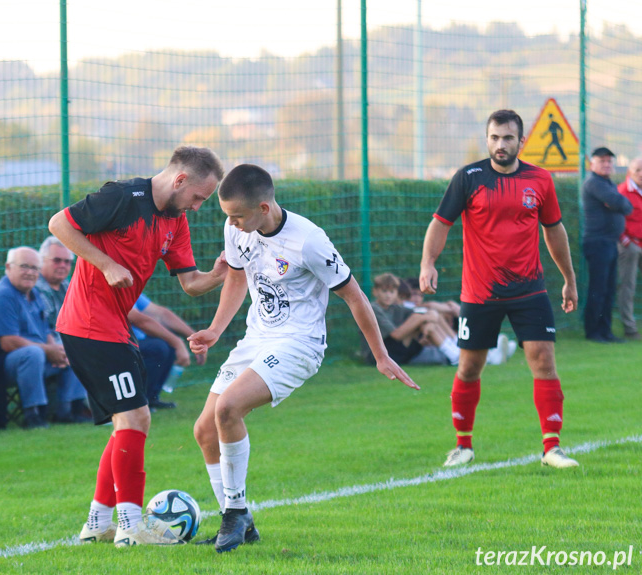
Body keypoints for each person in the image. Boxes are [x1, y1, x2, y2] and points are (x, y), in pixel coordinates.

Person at [188, 164, 418, 553]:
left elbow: (354, 296)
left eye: (237, 216)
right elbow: (238, 277)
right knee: (205, 431)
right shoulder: (237, 229)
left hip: (299, 343)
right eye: (228, 216)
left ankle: (235, 513)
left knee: (227, 409)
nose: (232, 224)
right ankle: (241, 523)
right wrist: (215, 329)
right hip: (257, 339)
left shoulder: (309, 241)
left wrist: (381, 355)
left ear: (264, 207)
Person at [48, 146, 229, 547]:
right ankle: (130, 527)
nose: (198, 207)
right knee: (136, 419)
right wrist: (106, 264)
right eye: (198, 197)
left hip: (113, 328)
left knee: (125, 423)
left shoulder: (175, 221)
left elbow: (190, 282)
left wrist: (218, 274)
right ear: (180, 180)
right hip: (89, 324)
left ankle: (97, 522)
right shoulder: (123, 197)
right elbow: (59, 224)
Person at [420, 109, 579, 469]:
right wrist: (427, 263)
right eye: (494, 137)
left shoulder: (539, 180)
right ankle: (463, 446)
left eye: (507, 138)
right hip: (479, 292)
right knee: (470, 367)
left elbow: (554, 230)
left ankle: (552, 447)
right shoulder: (469, 178)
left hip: (529, 289)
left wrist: (569, 279)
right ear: (487, 139)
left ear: (521, 141)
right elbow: (440, 223)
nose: (500, 144)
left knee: (543, 360)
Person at [0, 247, 74, 429]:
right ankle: (33, 416)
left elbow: (45, 332)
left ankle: (69, 411)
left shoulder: (34, 294)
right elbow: (8, 342)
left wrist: (57, 350)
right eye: (24, 267)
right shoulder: (3, 295)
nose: (30, 272)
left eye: (35, 268)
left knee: (73, 351)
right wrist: (48, 351)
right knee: (33, 354)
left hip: (31, 357)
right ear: (8, 267)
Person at [365, 273, 512, 367]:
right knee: (422, 317)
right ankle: (463, 354)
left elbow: (424, 311)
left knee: (427, 318)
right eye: (384, 291)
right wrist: (428, 316)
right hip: (379, 354)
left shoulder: (394, 308)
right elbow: (396, 335)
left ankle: (463, 353)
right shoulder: (374, 308)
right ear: (375, 292)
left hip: (400, 349)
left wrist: (430, 318)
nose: (388, 296)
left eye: (391, 292)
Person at [36, 236, 93, 423]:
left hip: (65, 345)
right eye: (57, 260)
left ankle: (79, 408)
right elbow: (38, 327)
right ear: (42, 260)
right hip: (42, 345)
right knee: (78, 350)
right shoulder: (34, 288)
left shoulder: (70, 286)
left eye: (67, 261)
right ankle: (67, 412)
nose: (63, 265)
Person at [582, 147, 633, 343]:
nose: (607, 164)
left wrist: (619, 203)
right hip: (598, 243)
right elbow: (618, 202)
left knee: (609, 289)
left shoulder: (607, 183)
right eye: (602, 161)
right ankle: (593, 332)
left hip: (610, 243)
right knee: (598, 288)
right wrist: (618, 203)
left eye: (609, 161)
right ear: (592, 163)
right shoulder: (594, 183)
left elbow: (625, 205)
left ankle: (606, 331)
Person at [130, 293, 205, 409]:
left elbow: (161, 314)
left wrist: (193, 336)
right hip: (117, 341)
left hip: (136, 339)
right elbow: (139, 320)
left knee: (167, 346)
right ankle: (137, 401)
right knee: (159, 348)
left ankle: (150, 398)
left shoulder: (131, 289)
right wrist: (177, 342)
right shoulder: (114, 286)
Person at [616, 157, 642, 340]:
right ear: (629, 172)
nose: (641, 174)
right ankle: (630, 329)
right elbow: (615, 220)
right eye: (638, 170)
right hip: (630, 246)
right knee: (628, 286)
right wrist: (625, 242)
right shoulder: (622, 191)